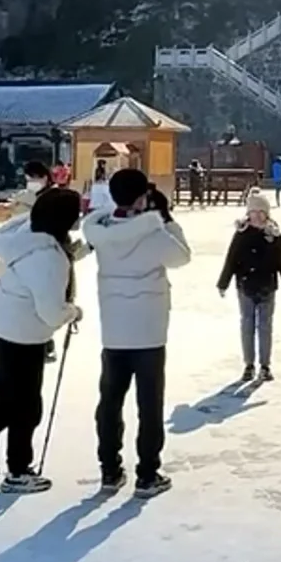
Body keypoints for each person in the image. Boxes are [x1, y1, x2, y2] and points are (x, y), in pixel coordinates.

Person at [0, 186, 84, 492]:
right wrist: (73, 312)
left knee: (6, 392)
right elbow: (51, 313)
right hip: (23, 334)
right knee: (27, 405)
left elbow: (52, 260)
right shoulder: (49, 258)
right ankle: (18, 470)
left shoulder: (24, 237)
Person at [84, 168, 191, 496]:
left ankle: (109, 469)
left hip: (114, 329)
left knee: (110, 401)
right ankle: (147, 473)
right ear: (143, 197)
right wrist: (166, 218)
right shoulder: (153, 234)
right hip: (148, 330)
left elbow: (104, 222)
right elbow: (182, 257)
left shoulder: (100, 232)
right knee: (149, 404)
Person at [217, 189, 281, 381]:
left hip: (267, 284)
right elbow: (231, 258)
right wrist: (223, 282)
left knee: (265, 325)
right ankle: (249, 364)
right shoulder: (242, 233)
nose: (258, 215)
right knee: (247, 324)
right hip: (245, 285)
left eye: (262, 212)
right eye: (254, 211)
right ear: (248, 213)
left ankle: (265, 365)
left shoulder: (273, 234)